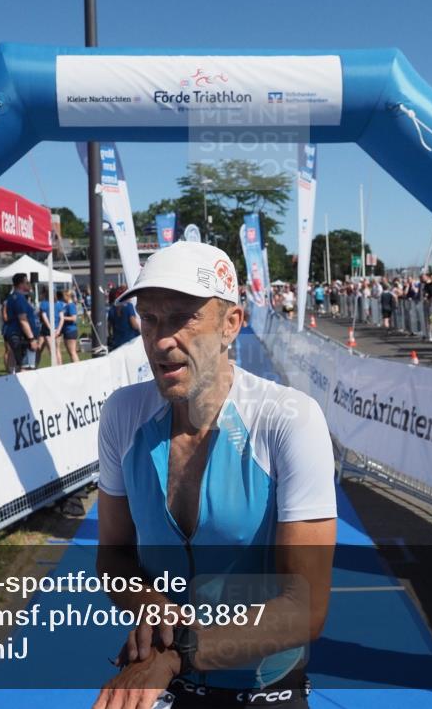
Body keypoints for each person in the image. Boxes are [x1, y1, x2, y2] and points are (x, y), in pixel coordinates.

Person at [93, 242, 336, 709]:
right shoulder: (123, 414)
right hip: (164, 676)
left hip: (261, 687)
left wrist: (178, 649)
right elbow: (113, 555)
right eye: (150, 318)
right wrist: (151, 606)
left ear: (231, 324)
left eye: (183, 317)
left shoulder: (288, 420)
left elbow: (305, 607)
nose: (162, 340)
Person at [2, 273, 38, 374]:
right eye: (27, 282)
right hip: (21, 336)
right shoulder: (19, 298)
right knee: (26, 368)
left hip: (17, 334)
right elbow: (23, 320)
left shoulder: (14, 297)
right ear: (20, 284)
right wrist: (31, 339)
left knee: (20, 364)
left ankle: (13, 379)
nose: (29, 285)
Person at [107, 285, 141, 349]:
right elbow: (134, 324)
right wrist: (140, 331)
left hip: (117, 342)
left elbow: (109, 327)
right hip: (130, 341)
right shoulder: (129, 306)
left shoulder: (112, 308)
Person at [60, 288, 80, 363]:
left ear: (67, 296)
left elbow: (73, 318)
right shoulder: (67, 306)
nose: (62, 298)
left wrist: (62, 317)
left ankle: (77, 367)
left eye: (63, 296)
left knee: (72, 352)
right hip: (67, 330)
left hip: (70, 330)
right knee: (71, 352)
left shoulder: (71, 305)